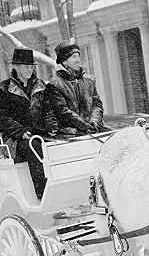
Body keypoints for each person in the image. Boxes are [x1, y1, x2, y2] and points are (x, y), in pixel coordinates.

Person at [0, 48, 53, 199]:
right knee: (33, 147)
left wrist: (52, 127)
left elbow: (48, 110)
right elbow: (2, 117)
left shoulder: (41, 85)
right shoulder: (4, 89)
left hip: (40, 133)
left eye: (31, 66)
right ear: (15, 66)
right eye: (26, 66)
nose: (30, 70)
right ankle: (43, 193)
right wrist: (20, 131)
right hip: (15, 139)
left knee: (60, 145)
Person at [45, 40, 107, 137]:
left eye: (78, 56)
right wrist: (84, 126)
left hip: (94, 129)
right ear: (64, 61)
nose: (78, 60)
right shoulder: (55, 85)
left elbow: (97, 105)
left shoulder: (89, 81)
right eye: (74, 57)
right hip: (71, 133)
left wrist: (94, 123)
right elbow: (62, 112)